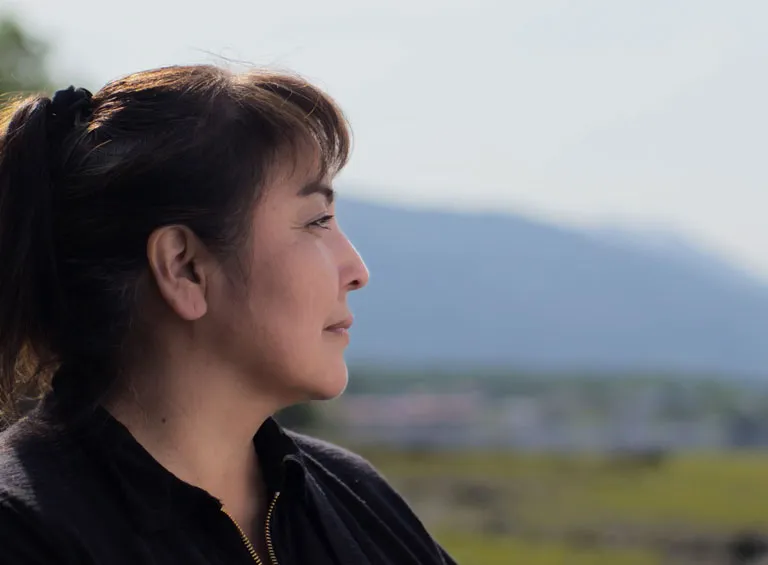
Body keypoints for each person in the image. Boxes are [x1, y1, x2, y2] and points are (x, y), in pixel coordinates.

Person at [0, 65, 456, 565]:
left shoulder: (353, 495)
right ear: (185, 268)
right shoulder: (25, 532)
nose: (357, 270)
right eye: (317, 221)